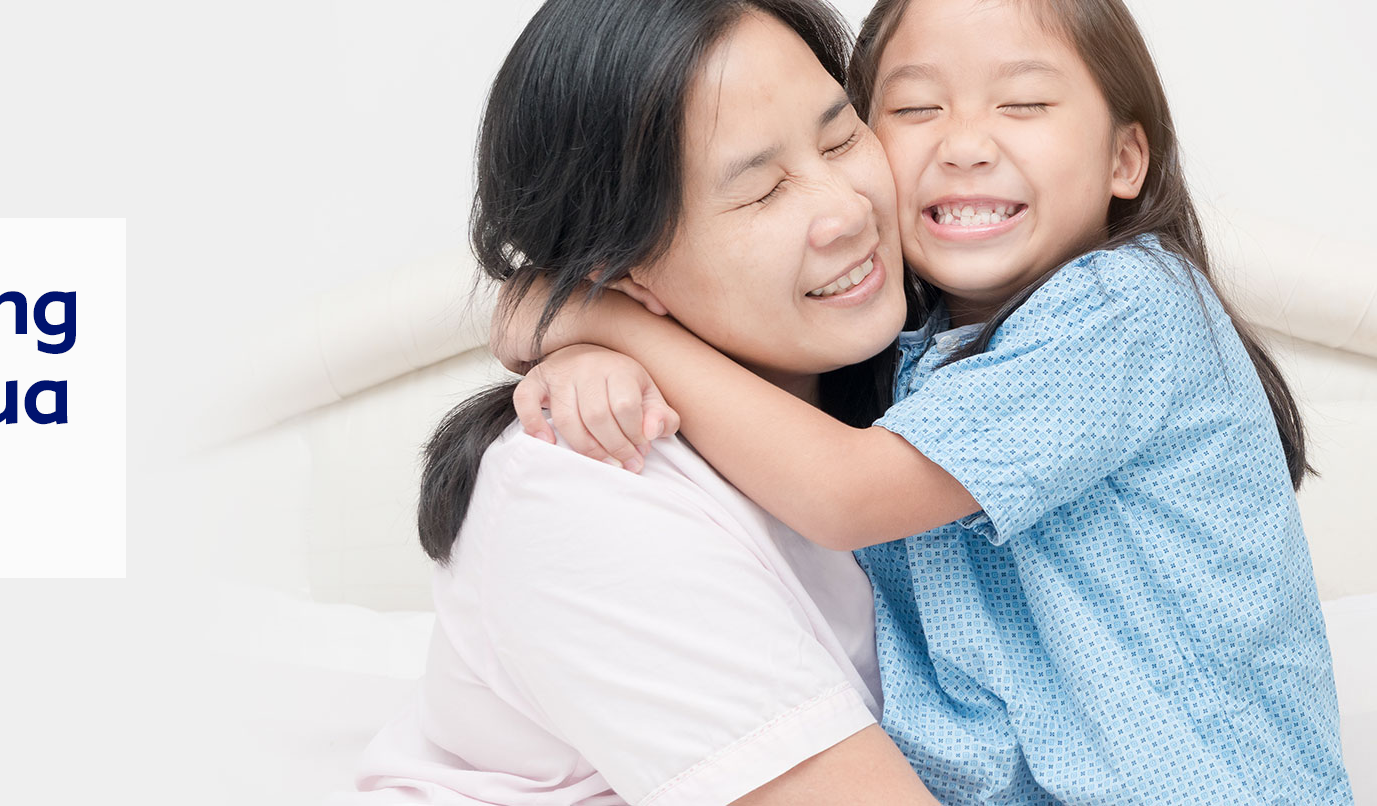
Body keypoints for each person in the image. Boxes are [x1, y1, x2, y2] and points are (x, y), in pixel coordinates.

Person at [501, 0, 1353, 801]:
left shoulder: (1126, 306)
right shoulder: (899, 360)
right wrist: (588, 357)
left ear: (1126, 159)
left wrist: (606, 322)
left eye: (1023, 104)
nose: (966, 145)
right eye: (912, 112)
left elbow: (844, 494)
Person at [335, 1, 937, 804]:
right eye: (760, 192)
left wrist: (593, 321)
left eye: (840, 137)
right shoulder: (582, 488)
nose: (850, 210)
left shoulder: (927, 385)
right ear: (624, 270)